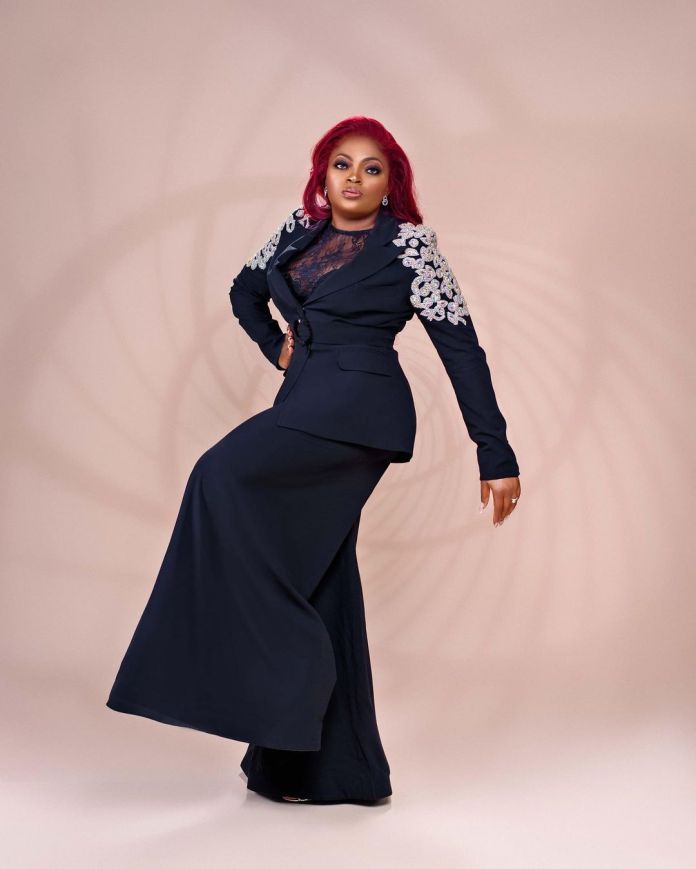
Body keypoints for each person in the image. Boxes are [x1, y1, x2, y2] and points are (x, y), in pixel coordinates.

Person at [105, 116, 521, 805]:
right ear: (322, 174)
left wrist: (494, 452)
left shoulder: (410, 247)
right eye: (341, 164)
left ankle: (278, 664)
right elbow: (243, 291)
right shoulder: (298, 231)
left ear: (391, 183)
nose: (354, 178)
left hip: (358, 412)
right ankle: (326, 769)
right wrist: (276, 346)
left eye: (371, 168)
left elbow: (461, 347)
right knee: (325, 575)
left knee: (217, 475)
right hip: (303, 399)